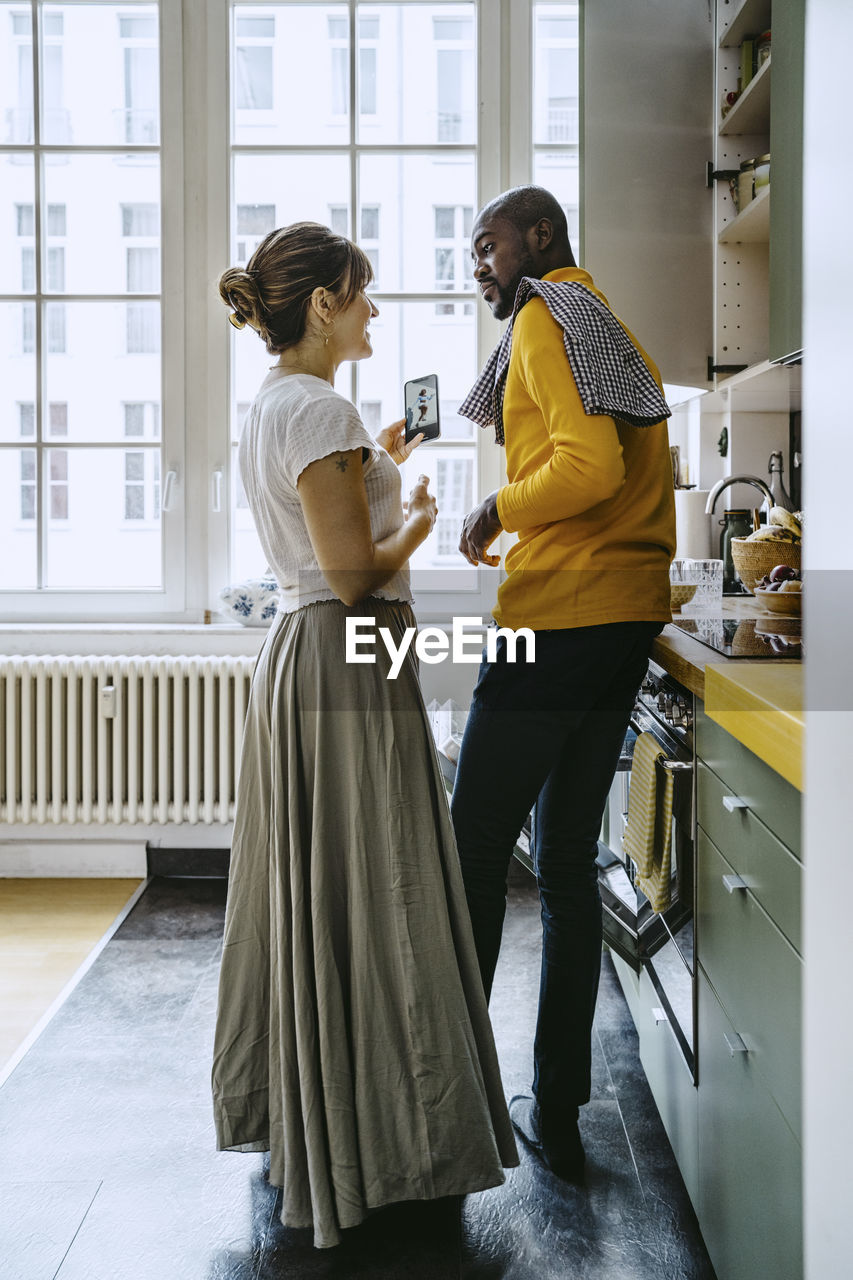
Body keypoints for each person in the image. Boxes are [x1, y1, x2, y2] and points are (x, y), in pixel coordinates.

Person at [211, 222, 517, 1249]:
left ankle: (325, 1113)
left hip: (307, 657)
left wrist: (377, 465)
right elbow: (353, 575)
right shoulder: (321, 405)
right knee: (382, 880)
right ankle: (397, 1136)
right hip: (347, 649)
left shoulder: (279, 407)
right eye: (364, 292)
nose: (376, 309)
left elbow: (320, 536)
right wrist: (424, 515)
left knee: (326, 889)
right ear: (325, 304)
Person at [450, 187, 676, 1181]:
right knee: (569, 866)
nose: (480, 263)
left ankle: (442, 1102)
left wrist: (497, 502)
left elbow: (583, 468)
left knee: (470, 854)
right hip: (621, 618)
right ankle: (560, 1103)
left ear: (537, 237)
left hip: (556, 618)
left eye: (488, 243)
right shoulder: (605, 323)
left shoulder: (548, 316)